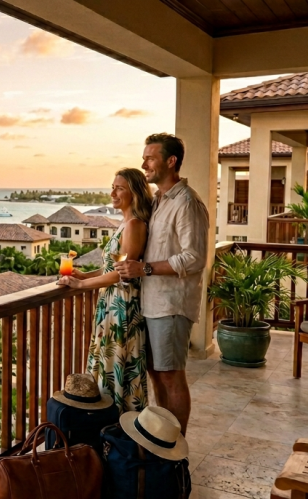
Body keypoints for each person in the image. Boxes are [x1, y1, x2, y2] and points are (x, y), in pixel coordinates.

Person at [116, 133, 208, 435]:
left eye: (151, 158)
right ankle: (162, 439)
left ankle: (175, 447)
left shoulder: (186, 202)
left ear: (171, 161)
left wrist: (144, 268)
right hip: (152, 303)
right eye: (145, 158)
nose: (144, 164)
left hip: (171, 304)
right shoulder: (158, 201)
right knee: (157, 374)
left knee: (171, 376)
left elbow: (194, 257)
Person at [58, 168, 152, 413]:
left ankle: (120, 429)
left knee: (117, 367)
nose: (112, 192)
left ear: (135, 192)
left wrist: (79, 285)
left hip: (121, 306)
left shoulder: (134, 225)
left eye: (119, 188)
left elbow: (122, 273)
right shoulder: (125, 224)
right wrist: (84, 275)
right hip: (112, 304)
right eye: (113, 187)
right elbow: (111, 266)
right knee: (108, 367)